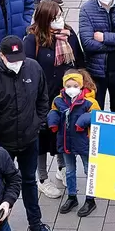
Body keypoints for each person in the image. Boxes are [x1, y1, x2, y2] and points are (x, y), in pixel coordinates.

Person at [0, 36, 55, 231]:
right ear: (1, 56)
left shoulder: (33, 68)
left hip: (29, 140)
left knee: (29, 181)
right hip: (3, 146)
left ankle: (36, 224)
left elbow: (42, 98)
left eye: (19, 57)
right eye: (11, 58)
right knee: (0, 187)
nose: (17, 62)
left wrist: (37, 124)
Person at [24, 0, 85, 198]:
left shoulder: (69, 35)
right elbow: (28, 69)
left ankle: (61, 168)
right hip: (41, 98)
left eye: (60, 15)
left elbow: (80, 62)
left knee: (61, 133)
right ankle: (42, 177)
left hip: (65, 97)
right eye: (54, 17)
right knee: (41, 137)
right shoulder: (32, 40)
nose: (59, 20)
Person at [47, 69, 99, 216]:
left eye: (75, 86)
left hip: (83, 141)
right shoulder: (58, 100)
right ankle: (72, 196)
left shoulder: (89, 102)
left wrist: (84, 120)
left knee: (89, 169)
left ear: (81, 86)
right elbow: (54, 110)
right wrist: (53, 119)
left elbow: (97, 115)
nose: (71, 89)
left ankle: (90, 199)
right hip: (66, 141)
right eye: (68, 86)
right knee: (69, 171)